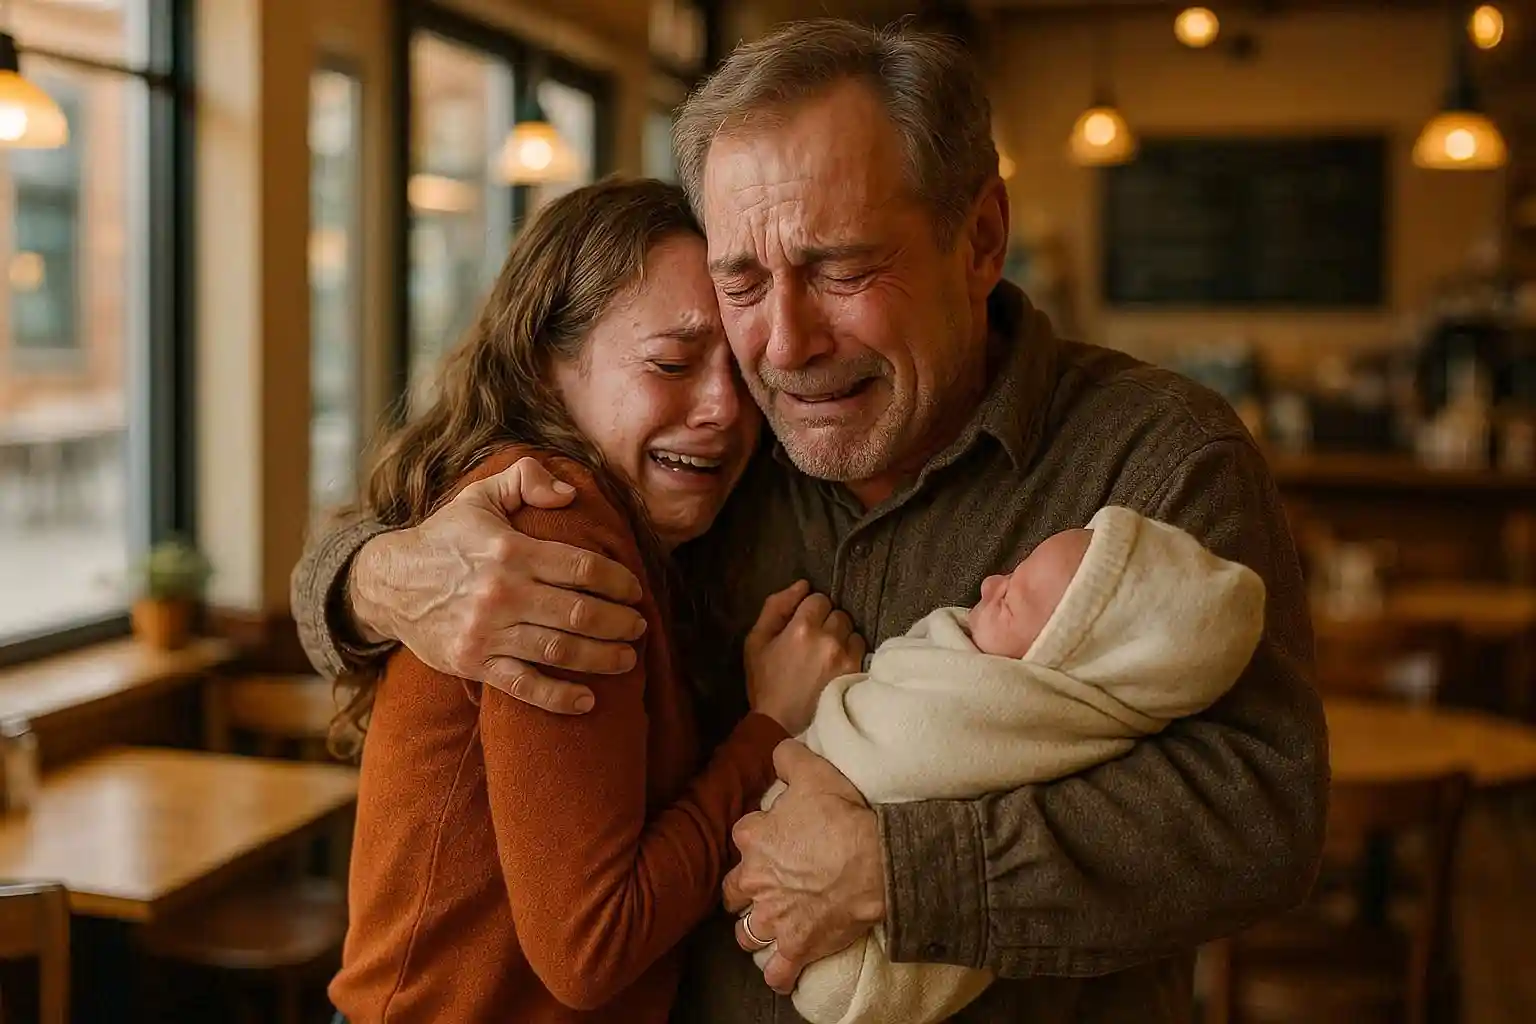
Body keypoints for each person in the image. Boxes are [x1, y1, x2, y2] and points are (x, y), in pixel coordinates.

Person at [294, 19, 1329, 1023]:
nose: (783, 346)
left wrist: (901, 872)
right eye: (743, 280)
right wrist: (372, 574)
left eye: (840, 267)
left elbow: (1262, 814)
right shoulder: (711, 461)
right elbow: (381, 559)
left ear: (980, 239)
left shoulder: (1159, 456)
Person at [325, 178, 865, 1024]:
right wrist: (769, 731)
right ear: (547, 364)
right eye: (672, 363)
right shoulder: (555, 522)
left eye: (741, 370)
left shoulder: (638, 517)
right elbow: (591, 946)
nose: (724, 409)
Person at [752, 506, 1267, 1024]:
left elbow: (902, 743)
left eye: (1010, 602)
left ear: (1058, 666)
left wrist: (887, 860)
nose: (990, 581)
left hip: (855, 970)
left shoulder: (1018, 713)